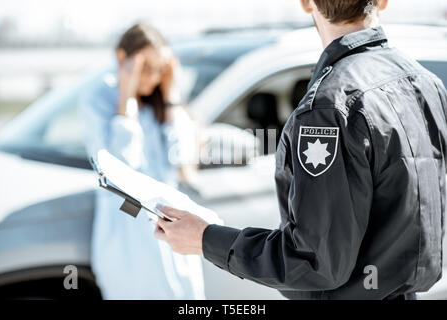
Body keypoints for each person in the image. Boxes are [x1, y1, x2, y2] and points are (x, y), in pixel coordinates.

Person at [154, 0, 447, 300]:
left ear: (307, 3)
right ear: (383, 2)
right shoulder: (427, 84)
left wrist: (204, 238)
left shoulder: (329, 106)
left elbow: (313, 263)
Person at [81, 23, 204, 299]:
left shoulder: (161, 100)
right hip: (126, 226)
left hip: (171, 225)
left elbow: (182, 157)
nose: (152, 78)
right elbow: (118, 169)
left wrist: (171, 95)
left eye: (159, 69)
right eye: (145, 68)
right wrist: (126, 99)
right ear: (122, 59)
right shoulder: (98, 99)